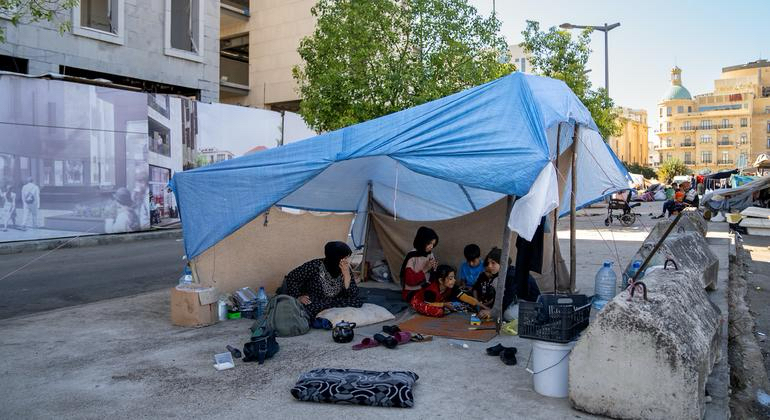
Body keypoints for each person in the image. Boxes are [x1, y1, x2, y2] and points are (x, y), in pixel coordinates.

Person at [285, 241, 363, 319]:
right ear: (334, 257)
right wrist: (298, 296)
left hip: (335, 300)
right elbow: (291, 277)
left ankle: (326, 312)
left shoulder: (345, 268)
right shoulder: (314, 266)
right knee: (309, 306)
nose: (347, 261)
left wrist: (347, 277)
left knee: (357, 301)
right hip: (316, 300)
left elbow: (352, 295)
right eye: (344, 258)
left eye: (347, 258)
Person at [472, 247, 541, 311]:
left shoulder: (512, 276)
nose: (489, 266)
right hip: (518, 300)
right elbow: (498, 296)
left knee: (507, 315)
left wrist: (492, 311)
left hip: (531, 304)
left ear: (502, 263)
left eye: (493, 263)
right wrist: (491, 308)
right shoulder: (501, 274)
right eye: (488, 263)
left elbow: (508, 297)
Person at [409, 264, 490, 318]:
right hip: (420, 302)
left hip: (439, 302)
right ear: (441, 280)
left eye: (454, 277)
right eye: (451, 278)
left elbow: (466, 298)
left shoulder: (452, 287)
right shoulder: (431, 290)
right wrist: (444, 304)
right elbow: (428, 303)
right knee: (439, 312)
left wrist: (485, 307)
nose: (454, 280)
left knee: (462, 304)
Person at [399, 226, 439, 300]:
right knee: (422, 299)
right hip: (412, 291)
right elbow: (409, 280)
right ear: (422, 241)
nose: (431, 247)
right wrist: (425, 269)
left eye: (433, 244)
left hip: (425, 288)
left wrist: (434, 268)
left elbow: (432, 277)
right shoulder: (412, 256)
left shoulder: (430, 254)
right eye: (429, 243)